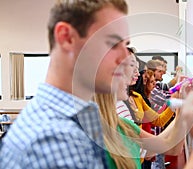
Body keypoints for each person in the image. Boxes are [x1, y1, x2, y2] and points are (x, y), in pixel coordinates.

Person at [0, 0, 130, 168]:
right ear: (67, 38)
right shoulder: (54, 142)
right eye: (112, 43)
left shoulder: (70, 123)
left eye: (126, 45)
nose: (125, 59)